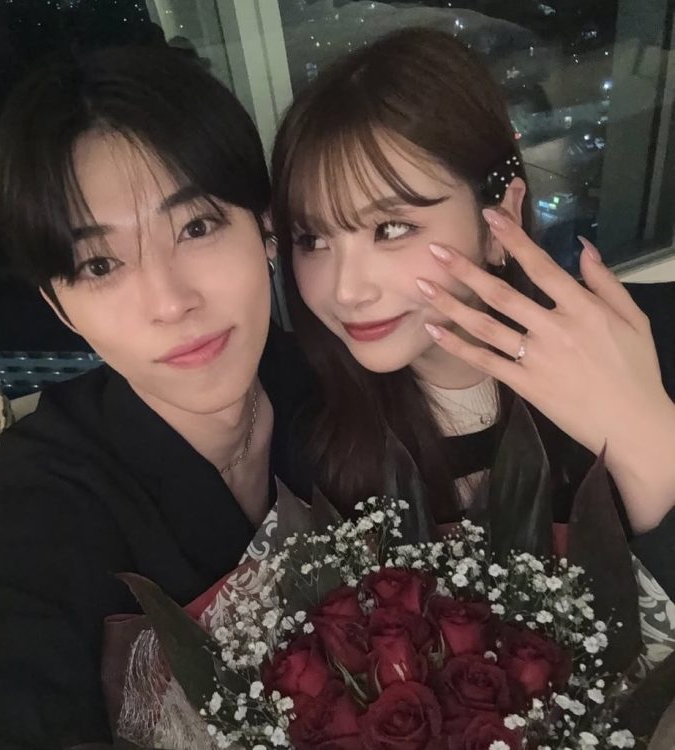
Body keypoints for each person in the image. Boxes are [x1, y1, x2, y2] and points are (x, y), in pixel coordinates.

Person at [0, 46, 310, 749]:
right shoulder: (40, 509)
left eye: (196, 227)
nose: (170, 302)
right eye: (100, 264)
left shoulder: (329, 388)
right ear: (60, 307)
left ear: (263, 228)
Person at [271, 28, 675, 596]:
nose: (346, 290)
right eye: (312, 239)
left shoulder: (651, 350)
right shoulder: (314, 438)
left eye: (392, 228)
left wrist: (654, 454)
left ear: (499, 218)